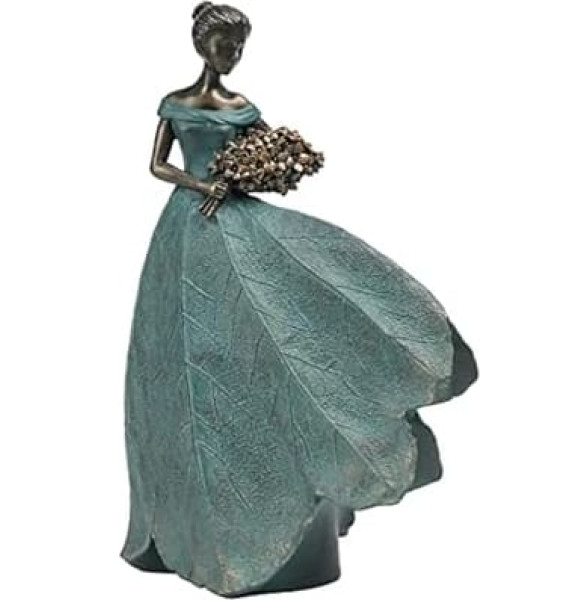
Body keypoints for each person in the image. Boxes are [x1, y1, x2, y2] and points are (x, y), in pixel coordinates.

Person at [121, 3, 478, 597]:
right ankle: (193, 513)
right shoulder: (176, 103)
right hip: (187, 225)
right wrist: (203, 183)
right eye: (223, 46)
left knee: (286, 309)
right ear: (202, 45)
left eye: (238, 48)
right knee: (183, 344)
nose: (230, 56)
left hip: (236, 218)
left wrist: (259, 173)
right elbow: (157, 164)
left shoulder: (242, 108)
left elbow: (269, 149)